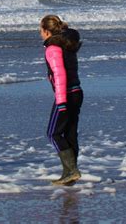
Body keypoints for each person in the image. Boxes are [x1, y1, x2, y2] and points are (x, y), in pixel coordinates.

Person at [40, 15, 83, 185]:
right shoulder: (68, 45)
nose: (40, 34)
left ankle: (71, 171)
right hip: (77, 92)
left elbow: (59, 75)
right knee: (70, 133)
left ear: (47, 32)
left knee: (53, 133)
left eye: (41, 31)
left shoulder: (53, 48)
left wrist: (61, 101)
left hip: (65, 95)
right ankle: (70, 173)